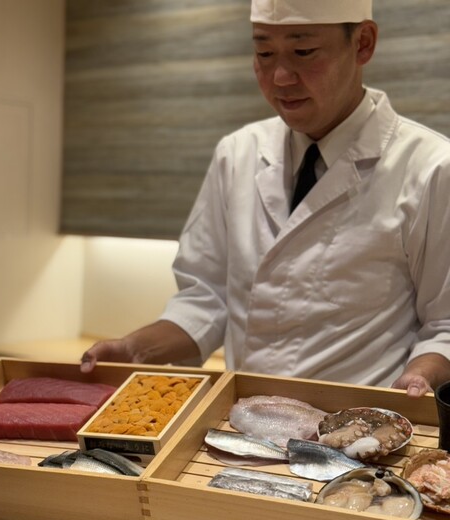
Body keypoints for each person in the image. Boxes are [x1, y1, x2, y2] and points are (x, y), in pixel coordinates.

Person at [81, 0, 450, 398]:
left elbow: (445, 325)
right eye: (264, 53)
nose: (280, 77)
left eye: (303, 51)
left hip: (356, 427)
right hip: (240, 422)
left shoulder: (430, 167)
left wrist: (420, 376)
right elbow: (207, 299)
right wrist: (134, 349)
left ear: (363, 43)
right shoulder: (237, 153)